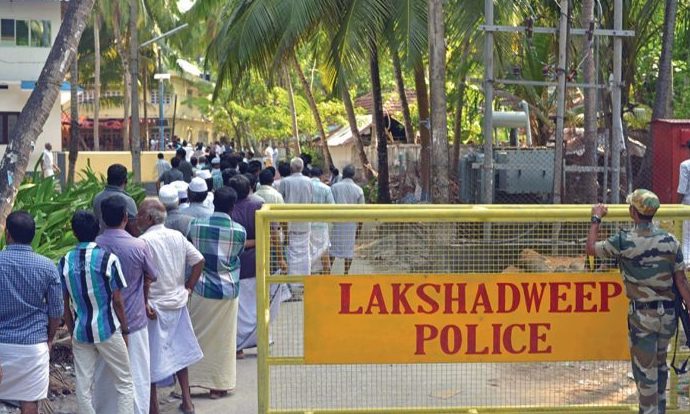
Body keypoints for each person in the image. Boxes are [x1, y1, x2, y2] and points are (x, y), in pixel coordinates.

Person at [586, 189, 690, 414]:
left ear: (633, 212)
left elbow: (591, 249)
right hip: (668, 317)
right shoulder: (670, 241)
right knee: (660, 369)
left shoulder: (623, 241)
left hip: (643, 318)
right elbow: (681, 281)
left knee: (645, 376)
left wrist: (596, 218)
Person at [59, 211, 133, 414]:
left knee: (83, 386)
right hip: (107, 328)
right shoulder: (108, 259)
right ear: (98, 230)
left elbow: (65, 303)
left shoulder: (65, 261)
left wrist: (72, 330)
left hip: (81, 330)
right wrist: (126, 330)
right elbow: (117, 301)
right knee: (125, 382)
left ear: (74, 233)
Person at [137, 200, 205, 414]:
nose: (136, 218)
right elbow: (199, 260)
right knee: (180, 353)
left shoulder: (143, 242)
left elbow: (144, 278)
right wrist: (189, 287)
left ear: (149, 218)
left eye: (140, 214)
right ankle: (187, 401)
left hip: (154, 306)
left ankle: (154, 406)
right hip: (177, 302)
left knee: (150, 357)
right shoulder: (177, 236)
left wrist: (144, 301)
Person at [95, 196, 158, 414]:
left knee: (105, 376)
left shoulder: (95, 246)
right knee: (137, 373)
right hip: (134, 321)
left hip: (103, 323)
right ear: (125, 217)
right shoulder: (139, 245)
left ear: (103, 219)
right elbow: (152, 275)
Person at [186, 187, 247, 399]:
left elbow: (191, 251)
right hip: (227, 289)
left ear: (214, 203)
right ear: (233, 206)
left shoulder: (195, 225)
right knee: (224, 340)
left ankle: (191, 382)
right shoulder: (239, 231)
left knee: (197, 336)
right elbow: (237, 254)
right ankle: (218, 386)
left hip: (200, 288)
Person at [0, 212, 63, 414]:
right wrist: (50, 338)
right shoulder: (47, 267)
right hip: (33, 348)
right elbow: (56, 310)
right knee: (29, 403)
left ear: (7, 234)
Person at [279, 157, 313, 276]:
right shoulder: (309, 181)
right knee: (305, 252)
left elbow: (280, 201)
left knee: (290, 252)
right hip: (305, 222)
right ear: (302, 168)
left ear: (291, 168)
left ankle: (292, 280)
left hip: (289, 223)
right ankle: (305, 278)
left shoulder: (285, 182)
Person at [330, 164, 365, 274]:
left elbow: (330, 205)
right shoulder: (358, 190)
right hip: (351, 225)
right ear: (353, 175)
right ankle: (346, 273)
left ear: (343, 174)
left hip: (336, 224)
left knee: (333, 249)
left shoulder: (334, 187)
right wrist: (359, 227)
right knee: (349, 250)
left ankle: (327, 272)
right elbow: (362, 212)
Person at [93, 164, 138, 235]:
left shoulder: (97, 198)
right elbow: (134, 228)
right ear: (125, 181)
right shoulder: (128, 201)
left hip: (100, 239)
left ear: (108, 179)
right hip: (122, 240)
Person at [309, 167, 335, 273]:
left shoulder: (306, 187)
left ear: (310, 175)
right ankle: (326, 278)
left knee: (309, 256)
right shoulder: (326, 189)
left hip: (307, 226)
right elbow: (332, 207)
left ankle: (308, 279)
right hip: (321, 226)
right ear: (321, 176)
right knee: (324, 253)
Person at [678, 153, 690, 265]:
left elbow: (682, 189)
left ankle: (687, 262)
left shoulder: (685, 165)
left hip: (688, 205)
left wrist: (677, 206)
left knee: (687, 237)